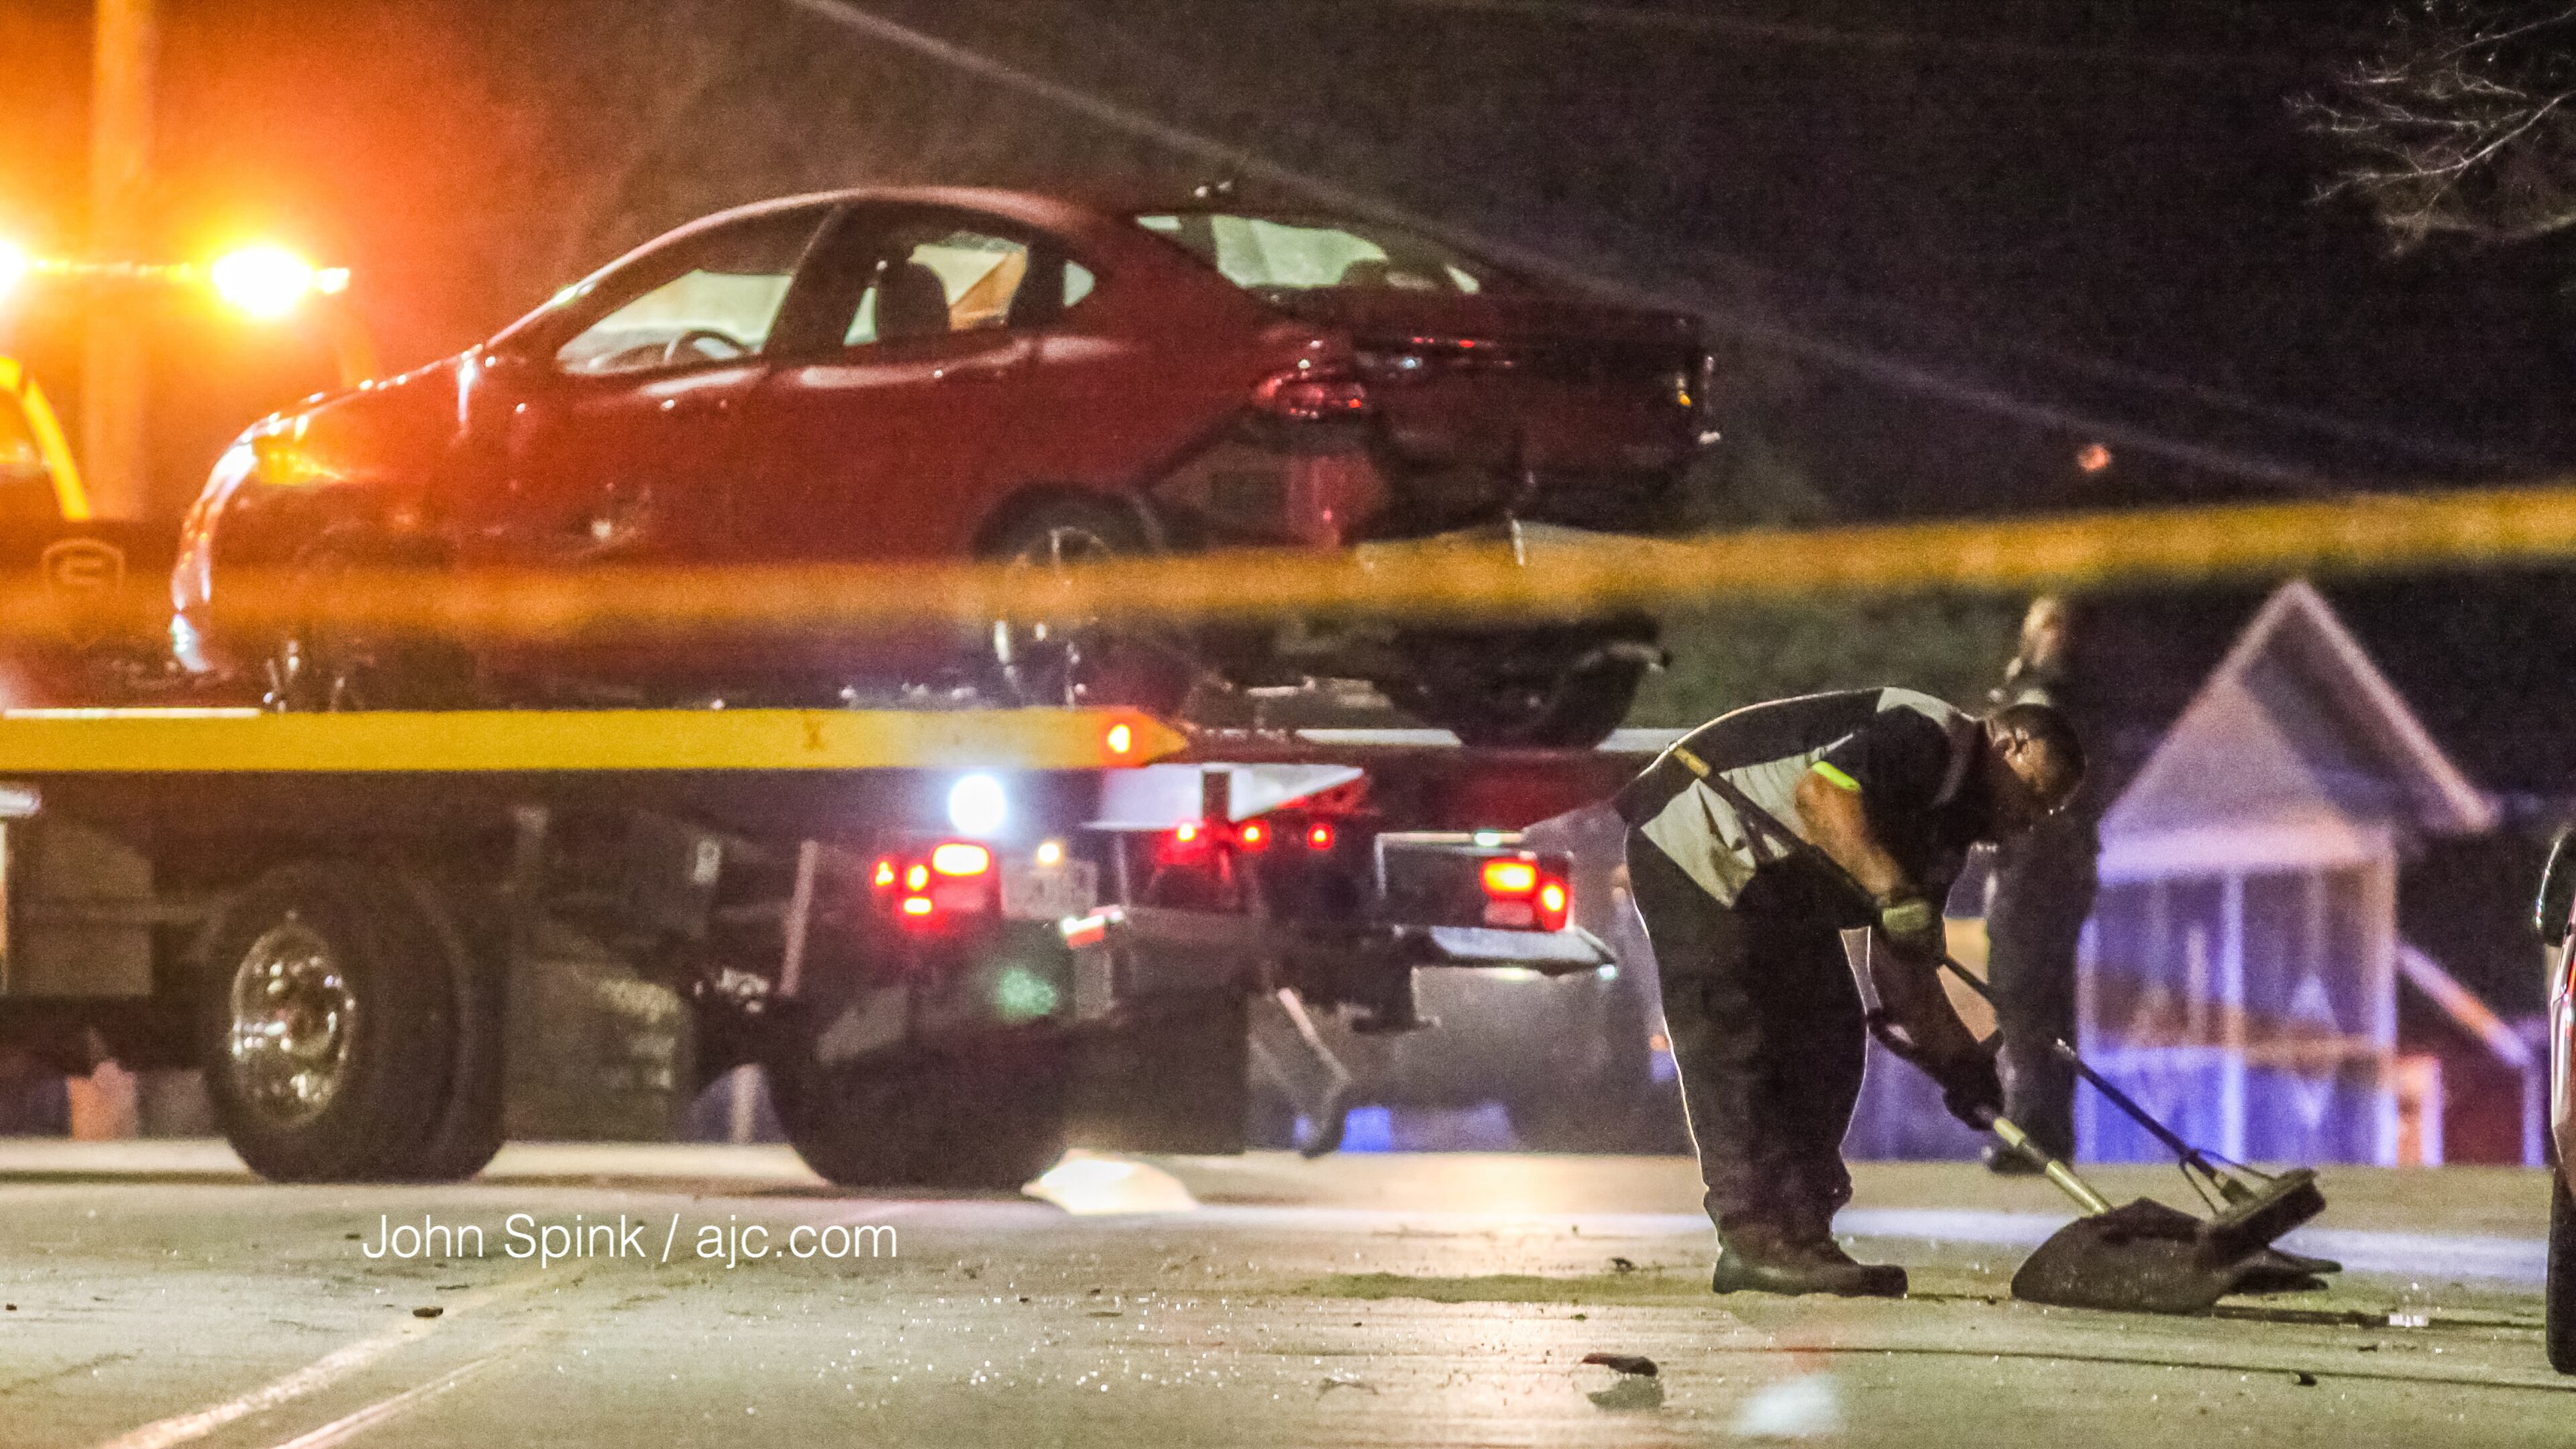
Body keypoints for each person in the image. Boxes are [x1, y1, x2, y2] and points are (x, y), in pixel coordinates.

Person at [1615, 688, 2084, 1297]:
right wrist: (1892, 891)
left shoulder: (1945, 840)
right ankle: (1755, 1238)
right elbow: (1822, 794)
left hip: (1778, 884)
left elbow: (1903, 971)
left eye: (2049, 811)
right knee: (1735, 1039)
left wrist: (1962, 1064)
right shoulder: (1928, 736)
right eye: (2037, 793)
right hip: (1700, 835)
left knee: (1832, 1039)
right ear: (2010, 743)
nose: (2034, 817)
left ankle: (1803, 1234)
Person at [1982, 596, 2100, 1172]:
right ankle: (2042, 1129)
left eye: (2061, 627)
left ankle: (2036, 1130)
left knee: (2028, 995)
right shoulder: (2032, 691)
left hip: (2043, 864)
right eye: (2044, 627)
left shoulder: (2054, 698)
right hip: (2035, 862)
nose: (2053, 638)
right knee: (2028, 998)